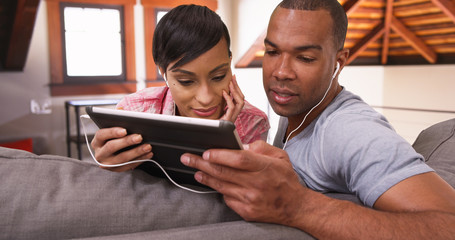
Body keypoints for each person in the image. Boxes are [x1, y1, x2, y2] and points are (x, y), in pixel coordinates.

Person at [180, 0, 455, 239]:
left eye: (305, 58)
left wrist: (300, 207)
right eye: (273, 52)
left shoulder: (350, 131)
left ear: (339, 62)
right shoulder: (296, 110)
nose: (281, 72)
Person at [91, 4, 269, 172]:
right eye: (186, 81)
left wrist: (222, 138)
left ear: (229, 63)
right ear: (163, 72)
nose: (206, 98)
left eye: (218, 77)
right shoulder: (135, 110)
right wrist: (108, 167)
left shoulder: (253, 123)